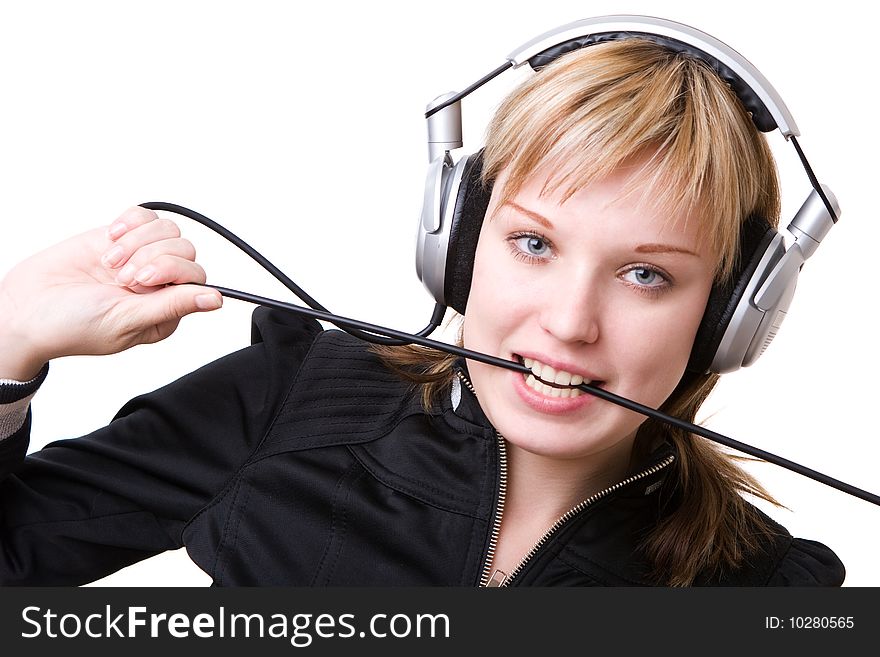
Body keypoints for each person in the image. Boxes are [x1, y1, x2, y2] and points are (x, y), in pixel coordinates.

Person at [0, 23, 845, 586]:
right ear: (458, 242)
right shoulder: (289, 400)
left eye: (646, 275)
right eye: (535, 244)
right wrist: (7, 346)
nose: (568, 321)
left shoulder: (766, 585)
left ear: (736, 312)